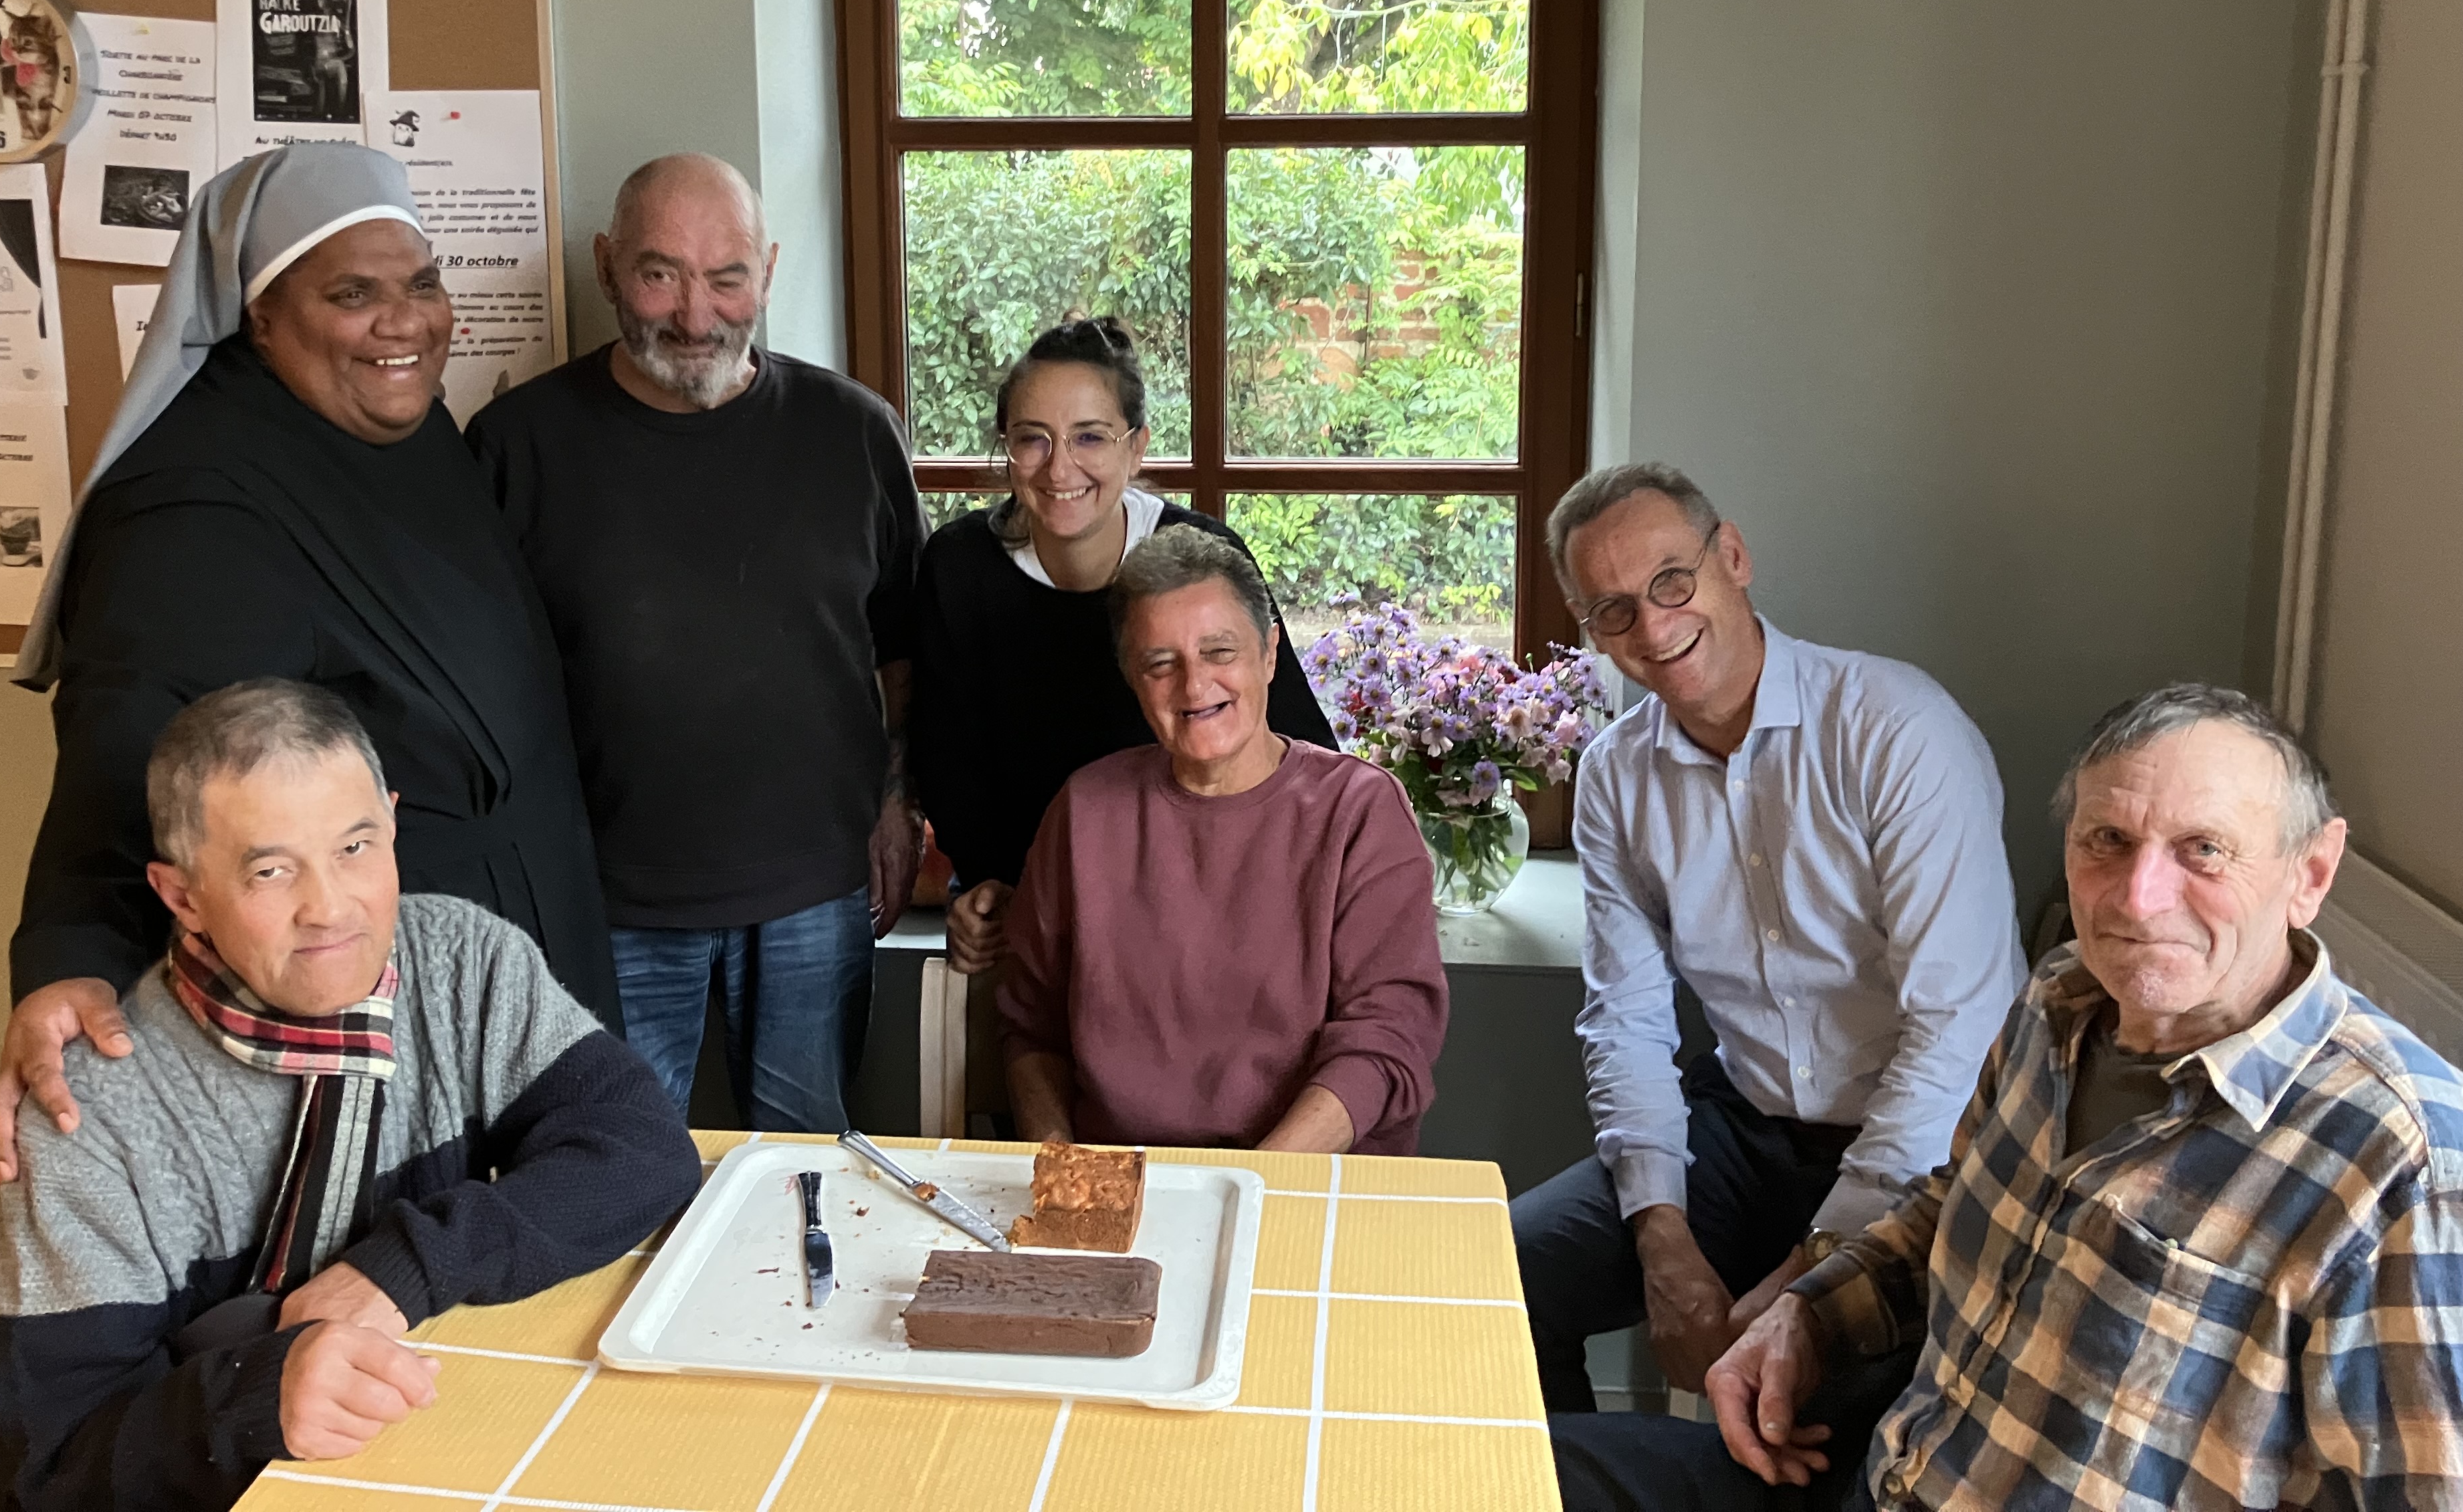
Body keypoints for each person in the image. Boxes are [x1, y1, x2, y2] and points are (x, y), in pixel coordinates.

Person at [1567, 685, 2463, 1511]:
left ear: (2310, 874)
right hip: (1876, 1478)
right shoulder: (2061, 999)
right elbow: (1948, 1207)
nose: (2141, 899)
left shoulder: (2401, 1168)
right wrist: (1808, 1316)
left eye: (2205, 851)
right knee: (1486, 1470)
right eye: (2106, 841)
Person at [0, 144, 616, 1188]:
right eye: (352, 294)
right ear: (260, 313)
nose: (405, 322)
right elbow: (125, 773)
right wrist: (69, 965)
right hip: (370, 990)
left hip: (521, 941)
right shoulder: (191, 506)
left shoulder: (412, 437)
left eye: (421, 284)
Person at [0, 679, 696, 1512]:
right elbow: (52, 1466)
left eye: (356, 848)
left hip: (406, 1452)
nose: (329, 908)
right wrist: (256, 1401)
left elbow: (642, 1145)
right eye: (272, 871)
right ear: (182, 896)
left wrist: (407, 1270)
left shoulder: (461, 960)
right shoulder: (90, 1114)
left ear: (391, 822)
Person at [1511, 463, 2024, 1412]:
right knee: (1494, 1294)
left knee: (1807, 1428)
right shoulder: (1617, 778)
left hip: (1928, 1154)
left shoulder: (1896, 729)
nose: (1655, 627)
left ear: (1733, 558)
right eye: (1613, 611)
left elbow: (1960, 1028)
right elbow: (1624, 1022)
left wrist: (1815, 1268)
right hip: (1742, 1131)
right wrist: (1663, 1241)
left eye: (1673, 580)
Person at [468, 153, 926, 1133]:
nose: (694, 314)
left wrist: (897, 804)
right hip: (607, 898)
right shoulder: (516, 445)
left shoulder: (854, 432)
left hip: (815, 889)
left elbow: (900, 649)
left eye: (726, 278)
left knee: (806, 1176)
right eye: (660, 272)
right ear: (605, 266)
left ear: (766, 271)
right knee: (608, 1172)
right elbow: (479, 688)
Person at [909, 314, 1336, 982]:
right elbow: (946, 760)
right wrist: (995, 886)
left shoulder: (1203, 564)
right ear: (1007, 448)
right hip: (1022, 897)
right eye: (1033, 439)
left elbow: (1297, 744)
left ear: (1136, 449)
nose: (1061, 467)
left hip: (1197, 901)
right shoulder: (958, 568)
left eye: (1090, 437)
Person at [996, 523, 1447, 1153]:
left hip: (1310, 1178)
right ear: (1132, 676)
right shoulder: (1085, 808)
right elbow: (1030, 1027)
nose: (1194, 685)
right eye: (1161, 664)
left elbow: (1387, 1039)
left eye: (1219, 652)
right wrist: (1063, 1163)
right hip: (1127, 1179)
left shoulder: (1360, 810)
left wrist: (1249, 1181)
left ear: (1269, 654)